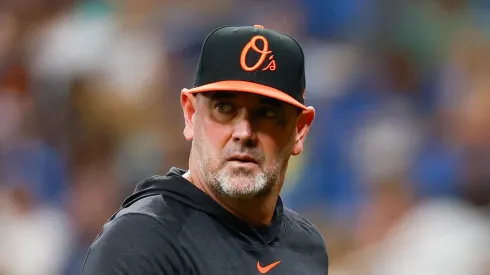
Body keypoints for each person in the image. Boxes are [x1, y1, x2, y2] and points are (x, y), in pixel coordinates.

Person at [80, 24, 328, 275]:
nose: (243, 133)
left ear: (299, 130)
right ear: (190, 114)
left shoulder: (307, 247)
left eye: (266, 113)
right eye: (224, 108)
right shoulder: (142, 243)